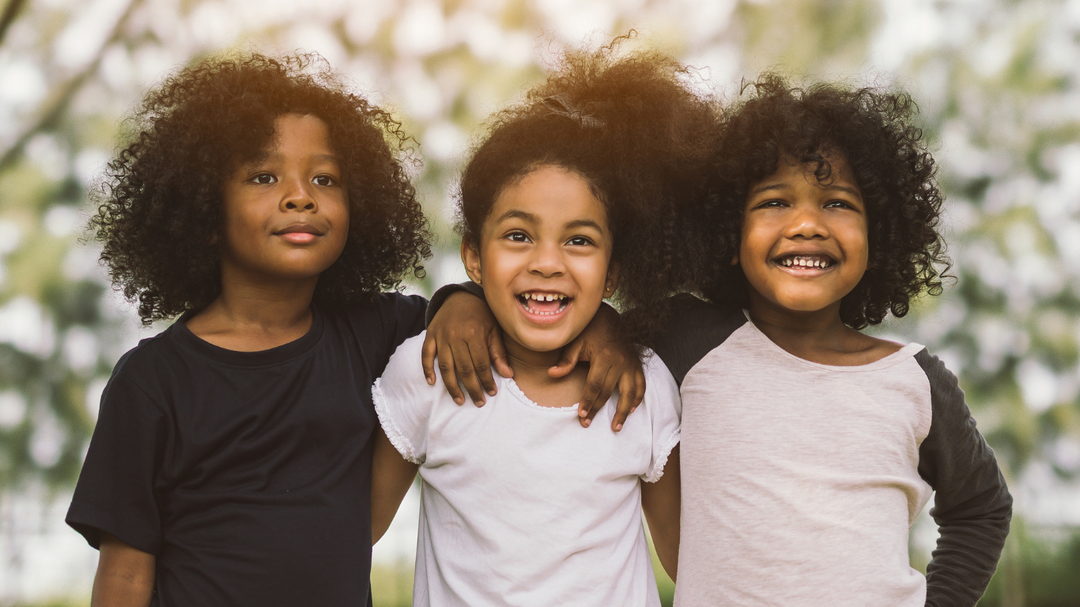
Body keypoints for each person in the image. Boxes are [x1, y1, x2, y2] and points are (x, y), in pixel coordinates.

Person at [64, 52, 640, 607]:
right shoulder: (152, 380)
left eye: (325, 179)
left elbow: (509, 309)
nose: (300, 196)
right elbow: (124, 569)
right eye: (263, 177)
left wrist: (589, 320)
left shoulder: (374, 334)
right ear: (203, 211)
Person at [370, 44, 716, 606]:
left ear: (612, 274)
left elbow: (692, 563)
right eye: (518, 235)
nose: (547, 261)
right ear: (473, 258)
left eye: (579, 240)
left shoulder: (643, 385)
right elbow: (346, 538)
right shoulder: (427, 371)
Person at [654, 75, 1012, 606]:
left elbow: (982, 506)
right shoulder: (688, 339)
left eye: (838, 203)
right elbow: (563, 317)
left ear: (879, 235)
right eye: (774, 201)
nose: (806, 224)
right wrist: (477, 301)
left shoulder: (915, 381)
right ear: (728, 235)